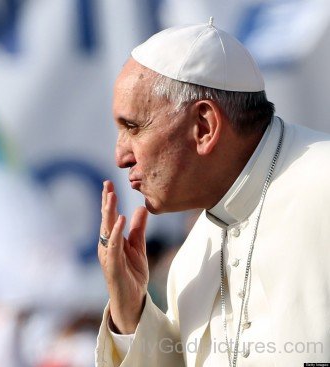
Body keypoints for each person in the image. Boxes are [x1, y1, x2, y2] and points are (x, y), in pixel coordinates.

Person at [95, 19, 330, 366]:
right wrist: (131, 313)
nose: (120, 157)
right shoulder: (191, 260)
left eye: (133, 127)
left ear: (204, 126)